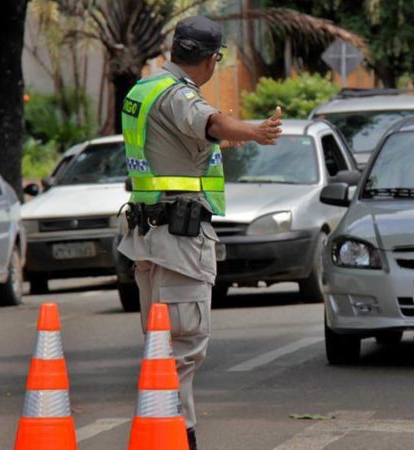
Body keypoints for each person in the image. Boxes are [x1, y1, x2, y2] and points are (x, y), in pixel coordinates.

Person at [117, 15, 282, 450]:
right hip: (177, 241)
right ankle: (172, 438)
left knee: (161, 350)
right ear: (212, 59)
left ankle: (161, 435)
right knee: (181, 349)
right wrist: (255, 131)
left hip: (150, 236)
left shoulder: (144, 88)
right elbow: (210, 122)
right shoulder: (178, 94)